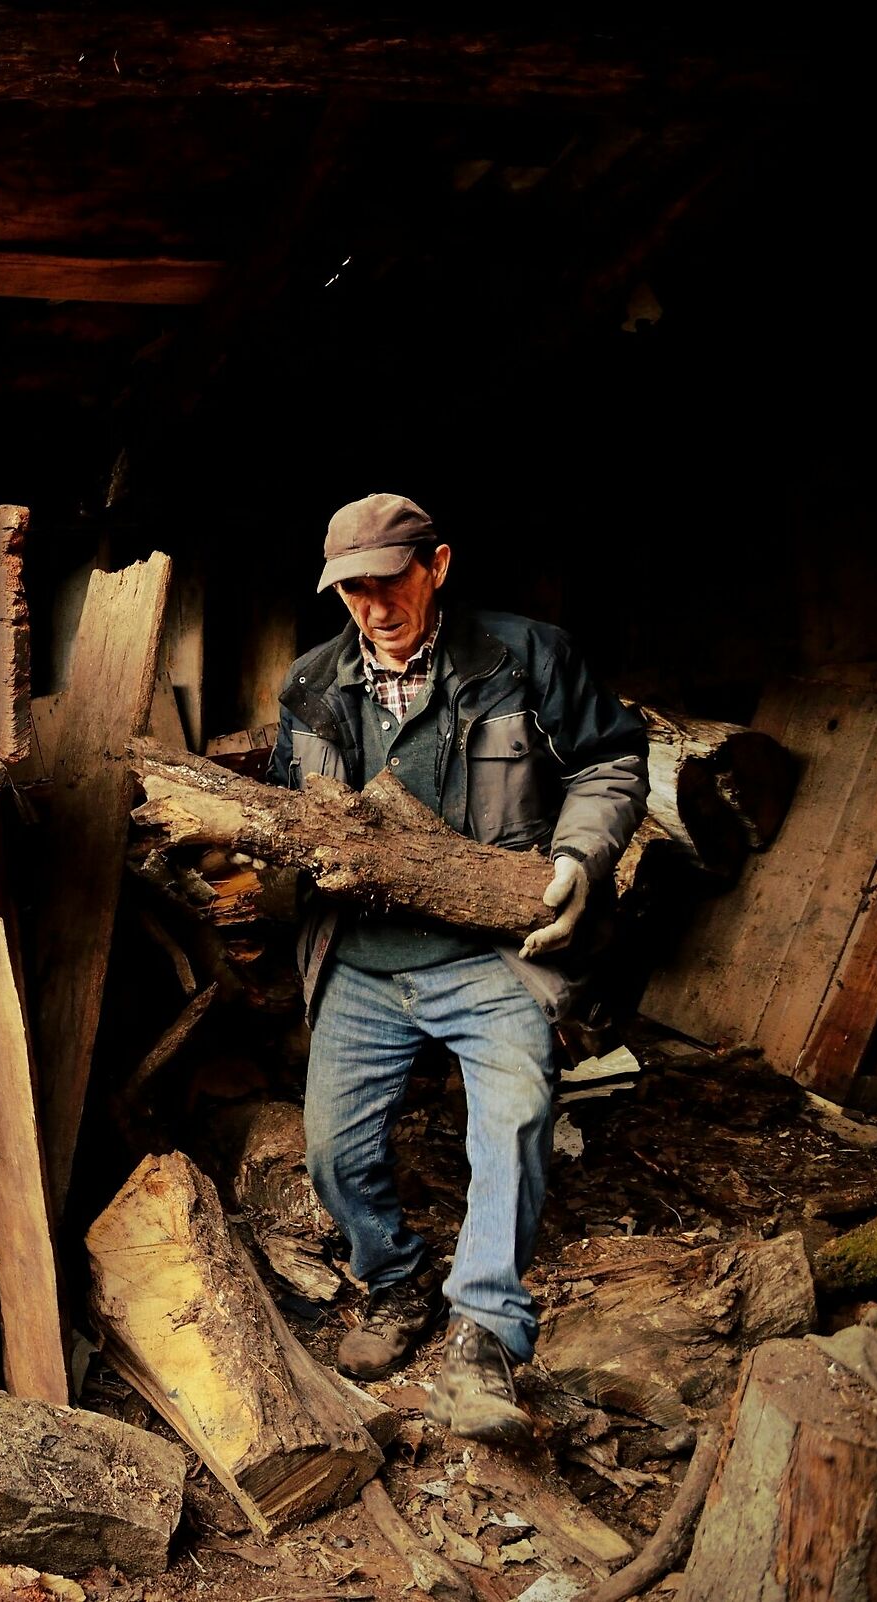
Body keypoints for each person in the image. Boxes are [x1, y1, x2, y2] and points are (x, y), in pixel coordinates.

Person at [270, 494, 647, 1446]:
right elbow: (295, 814)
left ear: (437, 565)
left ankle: (485, 1328)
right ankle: (396, 1282)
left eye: (391, 581)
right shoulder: (313, 685)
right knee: (332, 1152)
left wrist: (576, 861)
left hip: (491, 954)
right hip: (361, 959)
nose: (374, 606)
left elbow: (612, 762)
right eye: (353, 589)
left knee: (514, 1119)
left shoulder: (528, 659)